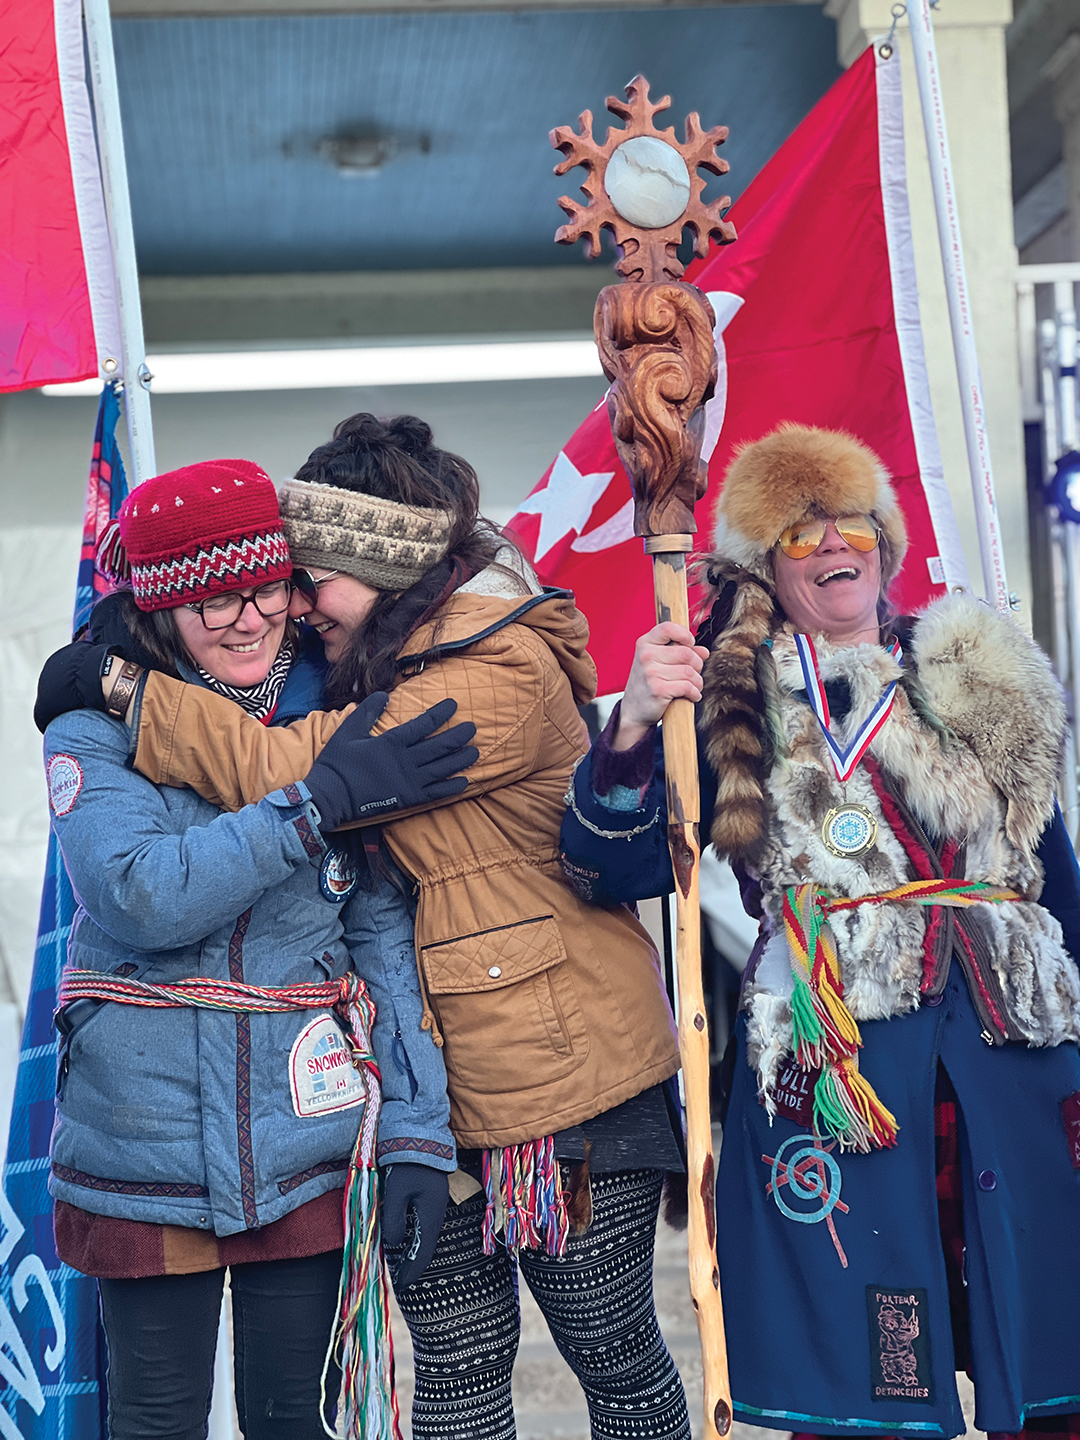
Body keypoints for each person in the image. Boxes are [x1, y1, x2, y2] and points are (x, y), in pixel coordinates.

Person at [43, 414, 691, 1440]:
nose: (289, 606)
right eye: (266, 582)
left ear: (379, 569)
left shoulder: (490, 672)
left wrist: (124, 687)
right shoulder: (361, 673)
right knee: (457, 1371)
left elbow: (287, 774)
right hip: (418, 1088)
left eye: (309, 579)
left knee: (610, 1351)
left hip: (558, 1074)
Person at [558, 422, 1080, 1440]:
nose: (834, 544)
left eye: (852, 522)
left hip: (1010, 1055)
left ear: (884, 539)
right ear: (764, 567)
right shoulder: (723, 697)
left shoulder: (975, 670)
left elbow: (1055, 877)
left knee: (1052, 1339)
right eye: (801, 534)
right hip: (841, 1059)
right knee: (862, 1375)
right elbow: (609, 866)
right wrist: (628, 725)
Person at [37, 457, 478, 1440]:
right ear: (158, 610)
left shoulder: (348, 710)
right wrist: (313, 805)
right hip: (139, 1140)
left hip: (304, 1138)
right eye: (209, 601)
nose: (246, 618)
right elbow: (141, 894)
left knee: (294, 1417)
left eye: (263, 588)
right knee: (156, 1418)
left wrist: (415, 1129)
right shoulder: (92, 723)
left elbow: (379, 935)